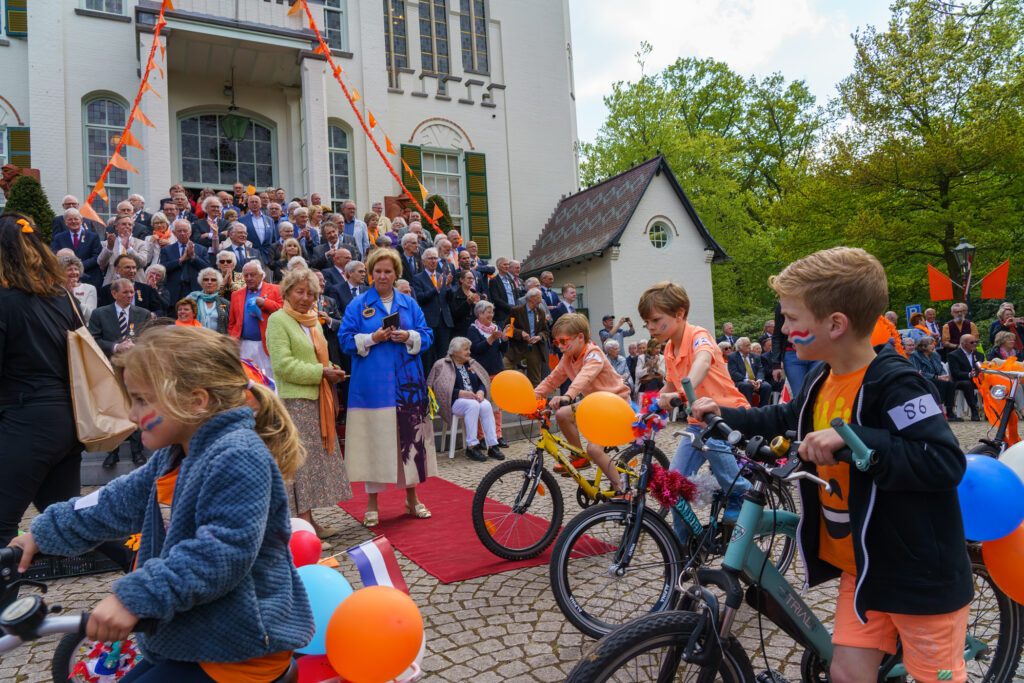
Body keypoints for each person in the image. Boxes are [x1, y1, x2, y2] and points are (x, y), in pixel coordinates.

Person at [689, 247, 972, 683]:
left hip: (918, 574)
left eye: (792, 319)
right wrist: (724, 413)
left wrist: (858, 440)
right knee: (845, 673)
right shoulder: (823, 377)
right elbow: (784, 417)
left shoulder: (897, 383)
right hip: (863, 569)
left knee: (936, 677)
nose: (783, 329)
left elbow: (943, 461)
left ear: (835, 324)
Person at [7, 325, 315, 678]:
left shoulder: (238, 454)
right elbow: (115, 501)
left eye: (141, 400)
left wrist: (134, 597)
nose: (132, 415)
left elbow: (221, 551)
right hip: (193, 639)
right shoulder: (176, 454)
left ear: (196, 401)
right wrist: (43, 533)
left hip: (236, 652)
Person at [638, 281, 751, 543]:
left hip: (725, 416)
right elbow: (669, 384)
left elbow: (700, 363)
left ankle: (740, 495)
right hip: (697, 423)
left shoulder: (700, 336)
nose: (651, 327)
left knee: (715, 447)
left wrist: (680, 394)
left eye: (656, 319)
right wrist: (648, 410)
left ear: (680, 313)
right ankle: (682, 547)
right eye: (646, 322)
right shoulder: (668, 347)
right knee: (672, 487)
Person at [0, 214, 86, 547]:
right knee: (70, 522)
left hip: (26, 419)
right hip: (67, 420)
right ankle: (139, 559)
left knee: (3, 524)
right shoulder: (61, 297)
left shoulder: (5, 301)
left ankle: (11, 603)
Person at [338, 248, 436, 528]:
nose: (383, 276)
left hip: (407, 384)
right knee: (375, 442)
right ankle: (372, 504)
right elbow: (345, 340)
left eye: (388, 271)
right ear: (370, 273)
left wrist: (409, 336)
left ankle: (412, 498)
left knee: (410, 441)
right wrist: (371, 338)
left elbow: (427, 335)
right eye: (378, 271)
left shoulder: (409, 304)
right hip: (372, 386)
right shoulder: (358, 305)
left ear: (396, 274)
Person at [267, 269, 352, 539]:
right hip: (294, 401)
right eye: (299, 292)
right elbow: (282, 366)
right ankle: (302, 529)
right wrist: (321, 373)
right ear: (287, 292)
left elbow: (320, 358)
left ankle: (310, 522)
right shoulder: (278, 320)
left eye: (310, 293)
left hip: (317, 400)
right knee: (300, 466)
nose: (305, 298)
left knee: (312, 465)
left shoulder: (312, 321)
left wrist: (332, 369)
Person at [532, 313, 630, 490]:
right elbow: (552, 380)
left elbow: (584, 377)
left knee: (594, 449)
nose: (559, 346)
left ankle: (621, 491)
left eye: (563, 341)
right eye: (556, 342)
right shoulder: (568, 357)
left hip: (616, 404)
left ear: (580, 338)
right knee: (562, 414)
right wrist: (531, 397)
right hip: (595, 404)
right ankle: (579, 457)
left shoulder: (594, 354)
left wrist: (567, 396)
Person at [89, 278, 153, 469]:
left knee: (135, 406)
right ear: (114, 293)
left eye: (132, 292)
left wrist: (136, 346)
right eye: (125, 292)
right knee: (114, 409)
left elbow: (150, 339)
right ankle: (113, 452)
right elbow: (92, 339)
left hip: (135, 368)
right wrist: (116, 346)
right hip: (110, 368)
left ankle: (137, 452)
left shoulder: (142, 314)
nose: (130, 295)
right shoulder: (100, 313)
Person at [427, 337, 504, 462]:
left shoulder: (472, 363)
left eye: (469, 349)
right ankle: (472, 447)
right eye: (465, 349)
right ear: (455, 352)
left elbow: (482, 382)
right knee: (473, 405)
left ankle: (492, 445)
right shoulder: (442, 364)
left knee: (486, 405)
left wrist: (481, 391)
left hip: (474, 399)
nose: (469, 352)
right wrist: (460, 393)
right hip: (453, 402)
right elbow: (439, 389)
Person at [467, 300, 511, 449]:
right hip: (481, 373)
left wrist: (504, 339)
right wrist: (491, 339)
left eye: (492, 312)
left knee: (496, 407)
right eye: (488, 312)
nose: (491, 315)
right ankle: (481, 437)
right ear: (479, 314)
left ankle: (498, 436)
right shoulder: (473, 329)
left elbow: (503, 350)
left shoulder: (496, 327)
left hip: (497, 371)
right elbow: (477, 349)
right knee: (481, 406)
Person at [228, 262, 283, 379]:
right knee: (248, 378)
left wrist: (265, 303)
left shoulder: (276, 289)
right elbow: (232, 323)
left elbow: (284, 312)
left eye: (252, 275)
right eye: (246, 275)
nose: (249, 278)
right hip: (244, 345)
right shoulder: (236, 295)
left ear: (261, 275)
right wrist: (233, 340)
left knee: (269, 378)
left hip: (267, 345)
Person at [413, 247, 454, 374]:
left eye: (435, 258)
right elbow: (419, 298)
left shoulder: (442, 276)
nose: (433, 261)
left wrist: (447, 288)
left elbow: (449, 299)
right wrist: (435, 289)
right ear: (423, 261)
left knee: (444, 356)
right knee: (429, 357)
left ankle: (443, 382)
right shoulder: (418, 278)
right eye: (430, 258)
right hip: (429, 321)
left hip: (444, 320)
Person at [160, 219, 210, 304]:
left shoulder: (201, 249)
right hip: (174, 290)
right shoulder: (166, 250)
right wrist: (180, 260)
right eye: (179, 231)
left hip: (194, 289)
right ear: (174, 233)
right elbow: (163, 268)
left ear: (190, 232)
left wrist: (194, 257)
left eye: (185, 231)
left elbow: (207, 268)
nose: (182, 233)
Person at [506, 288, 550, 385]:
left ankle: (535, 398)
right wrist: (520, 333)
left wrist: (539, 337)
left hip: (534, 347)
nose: (541, 300)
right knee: (504, 365)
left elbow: (545, 331)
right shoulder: (516, 311)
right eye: (539, 298)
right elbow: (508, 328)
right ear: (531, 298)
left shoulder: (541, 312)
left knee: (535, 379)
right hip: (518, 346)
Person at [50, 208, 103, 288]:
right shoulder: (59, 238)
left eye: (76, 219)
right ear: (65, 222)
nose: (73, 221)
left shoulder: (93, 236)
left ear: (81, 221)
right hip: (66, 279)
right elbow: (54, 255)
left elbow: (97, 257)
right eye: (70, 219)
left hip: (89, 277)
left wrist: (78, 266)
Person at [909, 336, 958, 420]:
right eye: (931, 344)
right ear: (924, 345)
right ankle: (938, 410)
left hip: (937, 378)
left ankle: (950, 412)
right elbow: (917, 371)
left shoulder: (934, 355)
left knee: (950, 384)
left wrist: (944, 376)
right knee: (941, 383)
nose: (933, 346)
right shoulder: (915, 355)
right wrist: (937, 377)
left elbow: (941, 368)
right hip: (924, 379)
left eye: (933, 344)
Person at [727, 336, 772, 406]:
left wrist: (759, 380)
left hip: (755, 381)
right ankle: (749, 409)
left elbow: (760, 369)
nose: (750, 347)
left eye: (750, 344)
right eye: (747, 345)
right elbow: (733, 372)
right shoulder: (732, 357)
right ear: (740, 347)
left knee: (767, 386)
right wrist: (747, 380)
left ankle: (763, 409)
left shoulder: (755, 356)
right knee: (747, 386)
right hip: (742, 381)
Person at [949, 334, 984, 422]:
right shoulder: (953, 355)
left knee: (990, 382)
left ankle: (990, 411)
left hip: (977, 380)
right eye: (972, 342)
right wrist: (969, 374)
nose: (975, 344)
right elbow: (955, 373)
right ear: (964, 344)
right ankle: (974, 411)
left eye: (976, 342)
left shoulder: (979, 355)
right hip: (960, 380)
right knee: (967, 384)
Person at [187, 268, 231, 334]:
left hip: (218, 341)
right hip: (196, 339)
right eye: (206, 279)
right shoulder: (192, 300)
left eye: (213, 280)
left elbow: (230, 324)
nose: (209, 282)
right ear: (201, 283)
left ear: (218, 283)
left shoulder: (225, 303)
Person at [61, 254, 97, 323]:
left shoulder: (90, 288)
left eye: (76, 269)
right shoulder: (57, 289)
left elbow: (90, 316)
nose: (74, 272)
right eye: (69, 269)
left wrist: (73, 298)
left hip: (82, 329)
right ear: (61, 272)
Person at [451, 268, 482, 337]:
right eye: (469, 278)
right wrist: (467, 303)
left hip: (475, 328)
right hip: (461, 330)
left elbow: (481, 313)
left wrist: (480, 304)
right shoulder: (455, 294)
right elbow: (455, 313)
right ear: (461, 280)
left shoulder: (476, 294)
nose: (471, 280)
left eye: (472, 278)